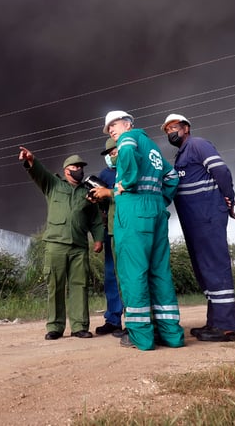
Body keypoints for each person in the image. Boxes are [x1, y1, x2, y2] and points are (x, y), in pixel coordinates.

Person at [102, 110, 184, 350]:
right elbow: (172, 176)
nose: (112, 131)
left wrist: (125, 183)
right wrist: (161, 199)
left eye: (113, 126)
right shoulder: (153, 146)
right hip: (156, 211)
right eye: (109, 130)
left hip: (133, 211)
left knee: (133, 272)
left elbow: (126, 151)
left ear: (127, 124)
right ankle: (171, 334)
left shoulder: (129, 138)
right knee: (160, 273)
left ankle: (141, 336)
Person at [161, 113, 235, 342]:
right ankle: (214, 322)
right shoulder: (181, 156)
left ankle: (228, 328)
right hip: (195, 220)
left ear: (186, 128)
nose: (170, 133)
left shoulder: (198, 144)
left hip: (207, 216)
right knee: (204, 269)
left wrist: (228, 197)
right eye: (167, 131)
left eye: (174, 127)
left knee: (215, 267)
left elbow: (221, 170)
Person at [18, 146, 104, 340]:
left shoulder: (88, 192)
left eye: (81, 167)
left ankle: (79, 326)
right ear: (67, 170)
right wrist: (32, 159)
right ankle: (55, 327)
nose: (80, 170)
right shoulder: (54, 185)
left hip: (79, 246)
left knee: (79, 285)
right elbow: (40, 174)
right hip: (56, 244)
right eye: (76, 167)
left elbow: (95, 219)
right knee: (55, 285)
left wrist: (98, 239)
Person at [90, 137, 124, 337]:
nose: (111, 157)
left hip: (127, 230)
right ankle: (113, 319)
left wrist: (109, 193)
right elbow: (101, 209)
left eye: (114, 152)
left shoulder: (129, 170)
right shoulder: (104, 174)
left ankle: (133, 321)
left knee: (127, 275)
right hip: (110, 231)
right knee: (111, 276)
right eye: (108, 154)